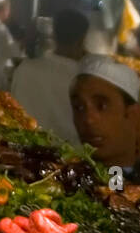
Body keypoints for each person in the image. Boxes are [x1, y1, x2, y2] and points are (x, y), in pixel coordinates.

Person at [10, 9, 87, 147]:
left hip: (24, 153)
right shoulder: (84, 80)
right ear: (82, 40)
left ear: (54, 35)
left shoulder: (24, 69)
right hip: (71, 159)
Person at [69, 55, 140, 172]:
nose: (88, 119)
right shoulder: (65, 180)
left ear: (133, 114)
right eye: (79, 107)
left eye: (101, 106)